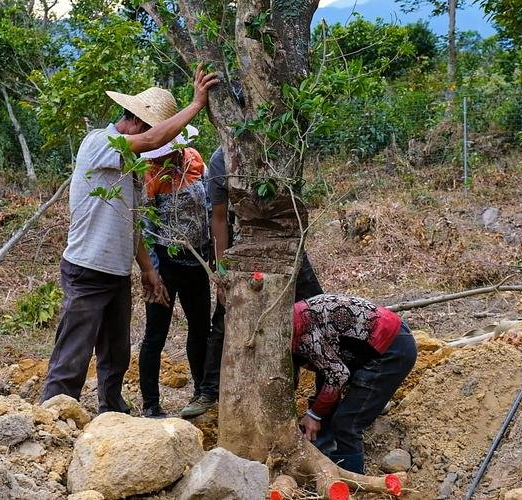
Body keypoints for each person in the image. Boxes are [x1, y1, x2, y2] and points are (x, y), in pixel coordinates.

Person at [40, 65, 219, 414]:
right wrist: (196, 104)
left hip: (116, 272)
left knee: (115, 352)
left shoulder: (131, 170)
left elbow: (133, 223)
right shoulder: (100, 143)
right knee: (74, 349)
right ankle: (53, 415)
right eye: (153, 132)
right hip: (87, 267)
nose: (154, 145)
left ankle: (111, 410)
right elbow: (152, 141)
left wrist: (147, 271)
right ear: (137, 122)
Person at [185, 145, 324, 418]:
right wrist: (223, 270)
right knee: (225, 318)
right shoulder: (219, 160)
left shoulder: (279, 144)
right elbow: (220, 217)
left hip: (285, 243)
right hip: (245, 244)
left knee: (316, 310)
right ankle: (209, 391)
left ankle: (339, 384)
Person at [293, 293, 417, 474]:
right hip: (373, 344)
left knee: (347, 422)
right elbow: (328, 369)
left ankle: (352, 483)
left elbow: (338, 374)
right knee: (326, 395)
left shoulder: (302, 333)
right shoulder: (296, 317)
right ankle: (326, 460)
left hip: (392, 349)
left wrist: (314, 414)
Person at [137, 130, 213, 418]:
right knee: (156, 333)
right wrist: (152, 272)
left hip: (196, 261)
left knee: (200, 329)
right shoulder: (150, 174)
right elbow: (146, 228)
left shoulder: (194, 160)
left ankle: (201, 392)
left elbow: (208, 206)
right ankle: (150, 404)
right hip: (166, 265)